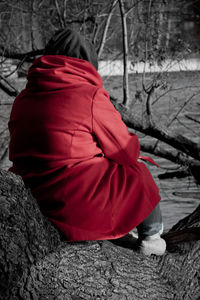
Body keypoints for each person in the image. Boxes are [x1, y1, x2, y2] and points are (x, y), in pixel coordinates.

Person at [8, 29, 166, 256]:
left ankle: (117, 233)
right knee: (137, 172)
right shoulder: (89, 95)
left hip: (33, 200)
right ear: (87, 62)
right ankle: (152, 240)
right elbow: (125, 151)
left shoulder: (23, 98)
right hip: (73, 206)